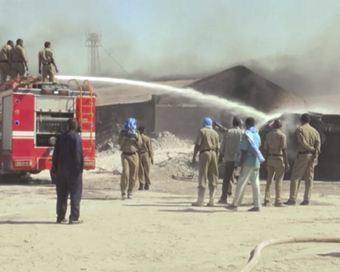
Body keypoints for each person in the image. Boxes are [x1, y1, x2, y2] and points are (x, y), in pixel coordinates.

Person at [226, 117, 264, 212]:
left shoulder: (246, 135)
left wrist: (239, 164)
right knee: (255, 184)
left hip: (247, 162)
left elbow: (244, 151)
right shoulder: (257, 135)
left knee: (241, 183)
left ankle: (235, 204)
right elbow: (258, 147)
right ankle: (257, 205)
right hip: (256, 162)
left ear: (246, 125)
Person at [52, 118, 84, 224]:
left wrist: (55, 168)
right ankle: (74, 217)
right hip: (73, 170)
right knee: (75, 193)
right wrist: (79, 169)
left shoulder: (60, 137)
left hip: (61, 169)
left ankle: (60, 217)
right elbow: (78, 155)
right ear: (75, 126)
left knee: (61, 194)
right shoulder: (76, 138)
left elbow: (55, 154)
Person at [284, 113, 321, 206]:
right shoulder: (315, 131)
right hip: (312, 156)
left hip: (303, 155)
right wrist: (315, 154)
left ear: (302, 120)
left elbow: (302, 142)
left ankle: (292, 199)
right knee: (309, 178)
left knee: (296, 177)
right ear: (309, 121)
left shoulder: (300, 129)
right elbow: (318, 144)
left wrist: (311, 149)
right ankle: (307, 199)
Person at [192, 117, 219, 207]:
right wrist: (217, 158)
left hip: (204, 153)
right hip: (214, 154)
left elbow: (197, 144)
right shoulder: (215, 133)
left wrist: (194, 156)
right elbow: (218, 147)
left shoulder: (202, 131)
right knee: (213, 176)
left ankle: (200, 200)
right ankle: (212, 200)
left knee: (203, 175)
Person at [263, 119, 290, 207]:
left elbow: (266, 149)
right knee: (279, 180)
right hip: (279, 158)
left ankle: (267, 200)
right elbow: (284, 150)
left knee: (269, 180)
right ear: (281, 126)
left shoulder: (268, 135)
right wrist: (286, 163)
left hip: (270, 158)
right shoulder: (282, 135)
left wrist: (265, 161)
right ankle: (278, 200)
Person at [217, 116, 243, 204]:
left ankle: (223, 197)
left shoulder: (228, 132)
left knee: (226, 178)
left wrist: (220, 156)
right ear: (240, 124)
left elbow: (222, 145)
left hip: (229, 159)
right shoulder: (242, 133)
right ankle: (238, 198)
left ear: (233, 123)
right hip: (239, 160)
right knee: (239, 179)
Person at [118, 118, 142, 199]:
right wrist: (125, 136)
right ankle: (123, 191)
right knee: (125, 173)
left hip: (134, 155)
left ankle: (130, 192)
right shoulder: (123, 133)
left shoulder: (137, 133)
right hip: (125, 155)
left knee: (133, 175)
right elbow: (120, 143)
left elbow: (140, 145)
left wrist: (135, 137)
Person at [137, 126, 154, 191]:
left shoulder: (137, 138)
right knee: (147, 170)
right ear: (143, 130)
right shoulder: (147, 138)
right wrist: (152, 158)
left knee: (140, 170)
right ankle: (147, 184)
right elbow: (150, 149)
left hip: (139, 155)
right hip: (146, 155)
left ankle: (141, 185)